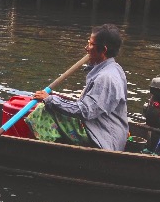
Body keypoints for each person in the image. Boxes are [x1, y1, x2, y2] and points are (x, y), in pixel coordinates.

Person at [25, 23, 128, 151]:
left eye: (91, 44)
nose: (86, 47)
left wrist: (50, 99)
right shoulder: (115, 69)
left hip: (103, 139)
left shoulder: (105, 78)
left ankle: (51, 152)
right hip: (106, 131)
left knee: (43, 110)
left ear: (104, 50)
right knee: (54, 104)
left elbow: (85, 111)